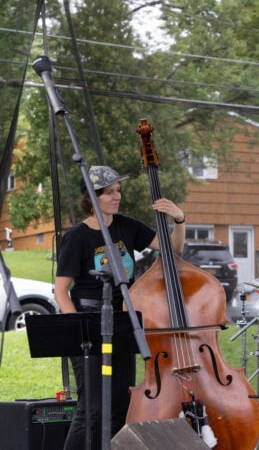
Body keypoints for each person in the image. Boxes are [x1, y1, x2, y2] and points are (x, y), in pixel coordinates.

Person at [54, 165, 187, 450]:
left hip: (124, 320)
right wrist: (77, 329)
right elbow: (61, 291)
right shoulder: (77, 237)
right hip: (88, 322)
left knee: (121, 404)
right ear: (92, 198)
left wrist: (179, 219)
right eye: (109, 192)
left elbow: (172, 248)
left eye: (118, 191)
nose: (117, 197)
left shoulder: (127, 226)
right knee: (91, 409)